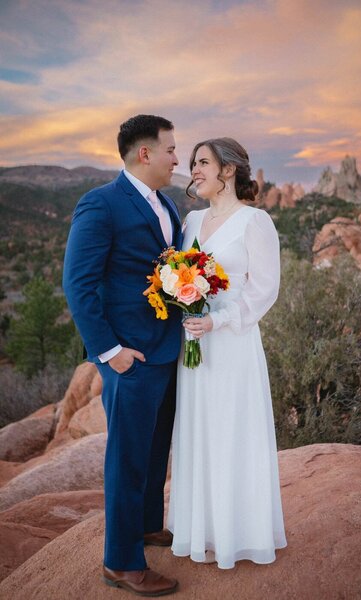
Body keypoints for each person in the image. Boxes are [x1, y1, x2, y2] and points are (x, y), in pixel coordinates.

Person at [63, 114, 182, 596]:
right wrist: (110, 352)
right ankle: (121, 562)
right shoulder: (101, 203)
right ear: (145, 153)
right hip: (129, 356)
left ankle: (148, 525)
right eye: (172, 149)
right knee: (128, 457)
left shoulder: (167, 204)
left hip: (167, 350)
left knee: (155, 451)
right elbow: (79, 283)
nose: (178, 157)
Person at [167, 137, 287, 569]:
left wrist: (218, 320)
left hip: (233, 344)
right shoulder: (192, 221)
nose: (194, 170)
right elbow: (180, 274)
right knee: (199, 431)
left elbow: (264, 290)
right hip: (194, 347)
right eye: (194, 163)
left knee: (234, 430)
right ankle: (202, 530)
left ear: (229, 170)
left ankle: (242, 533)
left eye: (202, 163)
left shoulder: (255, 221)